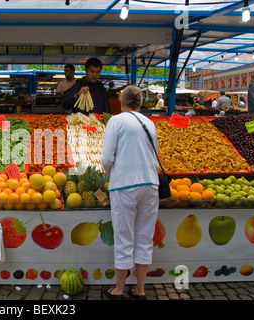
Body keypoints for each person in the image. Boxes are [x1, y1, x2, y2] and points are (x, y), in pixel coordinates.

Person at [100, 85, 159, 300]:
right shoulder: (150, 123)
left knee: (124, 237)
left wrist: (109, 171)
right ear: (141, 103)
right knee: (144, 237)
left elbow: (106, 159)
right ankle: (140, 290)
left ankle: (118, 289)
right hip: (151, 185)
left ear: (121, 102)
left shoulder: (115, 121)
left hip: (125, 185)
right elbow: (154, 156)